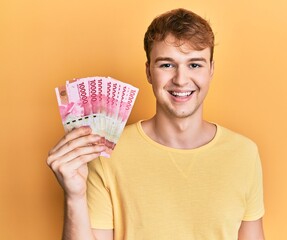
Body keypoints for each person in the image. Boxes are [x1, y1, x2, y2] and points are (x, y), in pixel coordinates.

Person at [47, 8, 265, 240]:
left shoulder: (244, 154)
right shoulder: (106, 154)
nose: (181, 80)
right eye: (166, 65)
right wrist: (74, 197)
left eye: (195, 65)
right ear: (149, 72)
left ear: (211, 70)